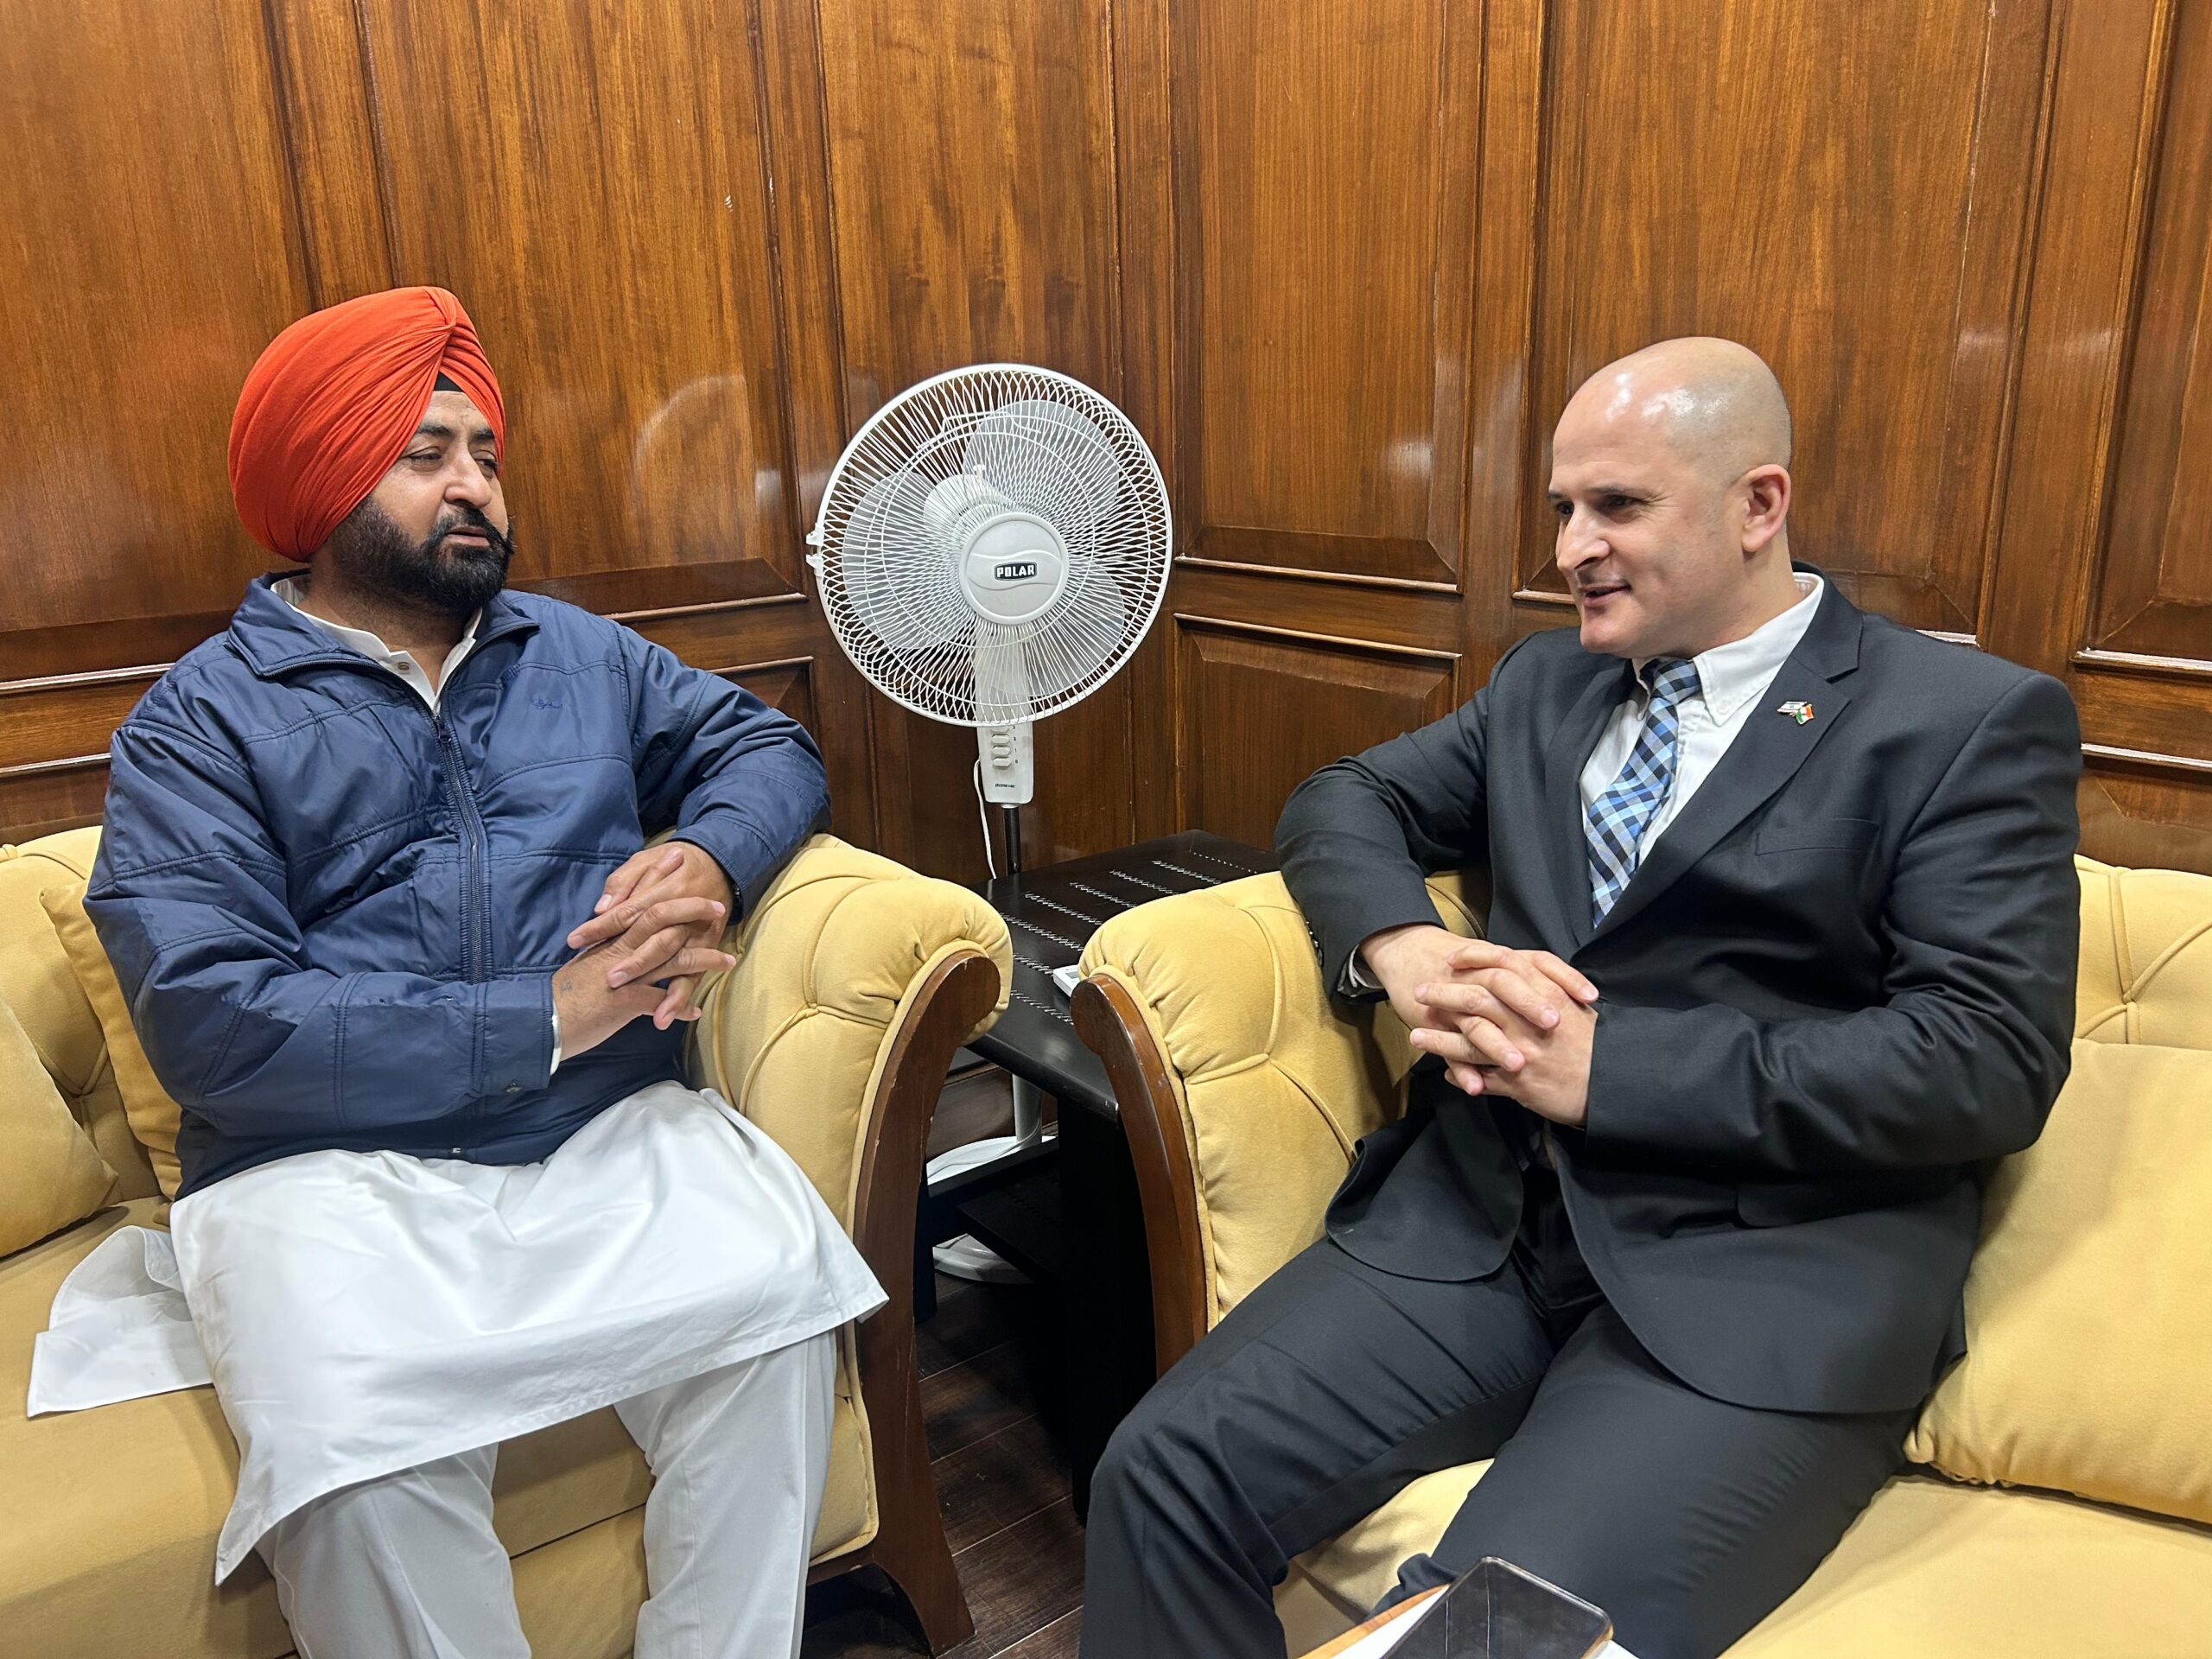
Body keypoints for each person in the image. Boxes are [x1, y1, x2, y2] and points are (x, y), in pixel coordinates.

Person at [1081, 338, 2082, 1659]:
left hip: (1756, 1280)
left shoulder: (1957, 719)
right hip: (1480, 1225)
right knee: (1158, 1475)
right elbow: (1347, 796)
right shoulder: (1544, 686)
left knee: (1488, 1636)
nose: (1570, 549)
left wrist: (1614, 1070)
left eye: (1617, 507)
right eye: (1563, 508)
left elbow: (1987, 1057)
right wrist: (1402, 948)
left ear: (1758, 505)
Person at [57, 286, 882, 1658]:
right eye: (424, 454)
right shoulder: (197, 724)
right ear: (324, 480)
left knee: (772, 1314)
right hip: (320, 1166)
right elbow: (214, 1022)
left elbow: (764, 748)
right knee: (359, 1461)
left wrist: (709, 859)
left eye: (486, 455)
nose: (474, 487)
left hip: (598, 1125)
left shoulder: (577, 652)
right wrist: (547, 1012)